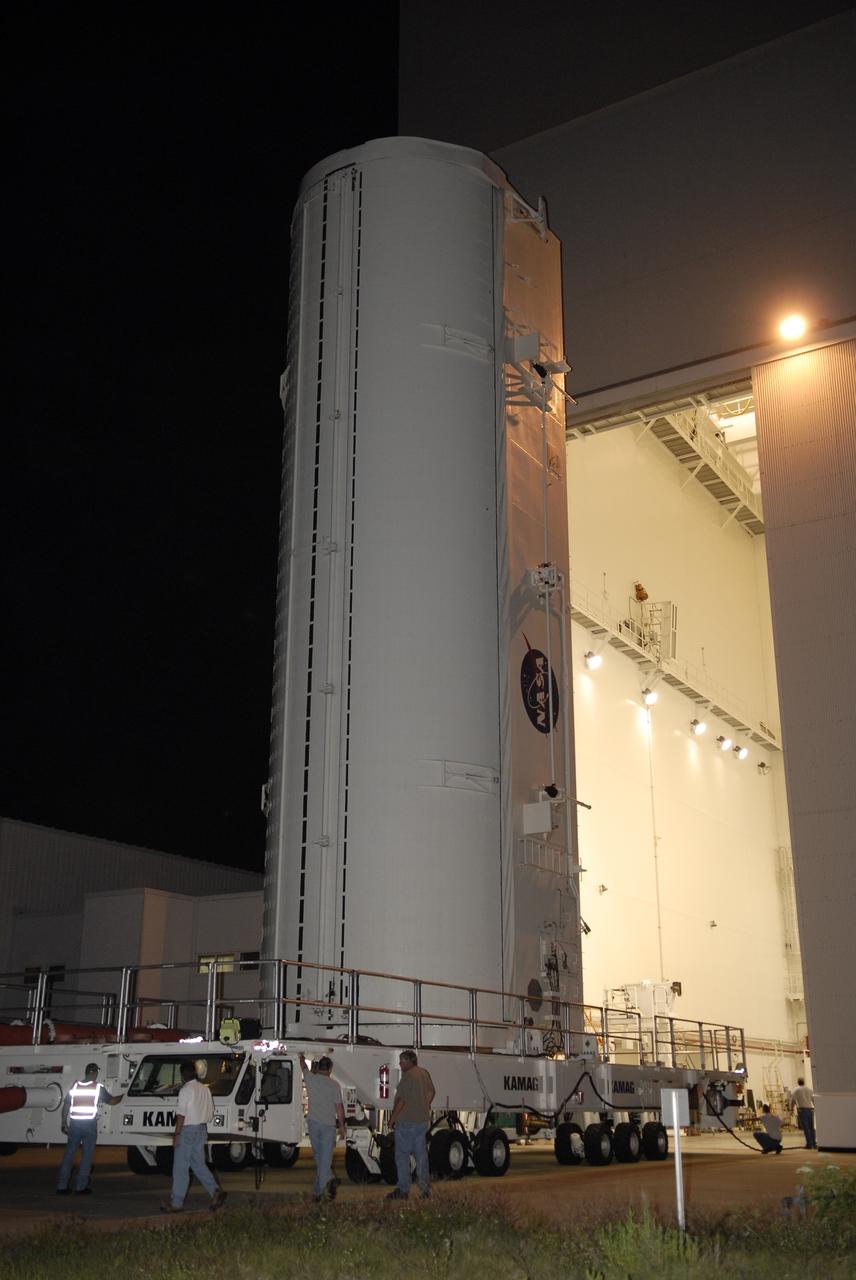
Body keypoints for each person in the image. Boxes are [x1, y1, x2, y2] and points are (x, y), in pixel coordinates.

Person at [162, 1061, 226, 1213]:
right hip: (202, 1129)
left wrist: (177, 1135)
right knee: (198, 1164)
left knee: (180, 1167)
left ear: (183, 1075)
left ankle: (176, 1203)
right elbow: (210, 1113)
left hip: (188, 1131)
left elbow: (181, 1115)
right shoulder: (205, 1090)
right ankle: (215, 1191)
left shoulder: (186, 1090)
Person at [57, 1061, 124, 1194]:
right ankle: (81, 1188)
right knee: (86, 1156)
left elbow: (66, 1106)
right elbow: (112, 1101)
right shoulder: (97, 1087)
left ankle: (61, 1187)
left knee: (69, 1155)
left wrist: (64, 1123)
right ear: (93, 1073)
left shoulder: (75, 1086)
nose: (97, 1075)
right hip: (89, 1125)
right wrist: (123, 1096)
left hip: (75, 1124)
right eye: (96, 1073)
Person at [386, 1049, 435, 1201]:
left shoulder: (408, 1077)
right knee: (421, 1156)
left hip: (406, 1122)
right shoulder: (423, 1073)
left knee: (402, 1156)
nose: (400, 1064)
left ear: (408, 1061)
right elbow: (432, 1092)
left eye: (401, 1061)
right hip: (421, 1121)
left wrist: (392, 1119)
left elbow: (402, 1100)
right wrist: (423, 1106)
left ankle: (403, 1189)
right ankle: (425, 1189)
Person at [299, 1052, 346, 1202]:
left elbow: (303, 1067)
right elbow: (339, 1107)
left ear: (319, 1067)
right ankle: (322, 1188)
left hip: (313, 1123)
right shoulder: (334, 1085)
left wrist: (301, 1057)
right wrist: (342, 1126)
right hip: (328, 1125)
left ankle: (322, 1187)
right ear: (330, 1069)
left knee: (320, 1157)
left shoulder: (311, 1079)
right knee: (325, 1158)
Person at [792, 1077, 817, 1149]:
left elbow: (793, 1100)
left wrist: (791, 1109)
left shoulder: (796, 1090)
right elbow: (813, 1100)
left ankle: (809, 1144)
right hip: (810, 1110)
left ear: (798, 1082)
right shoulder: (809, 1090)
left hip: (802, 1111)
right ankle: (814, 1144)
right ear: (804, 1082)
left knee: (806, 1128)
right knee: (811, 1128)